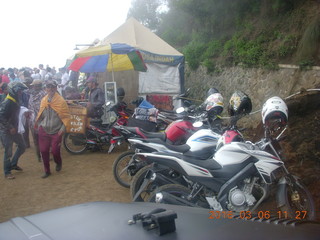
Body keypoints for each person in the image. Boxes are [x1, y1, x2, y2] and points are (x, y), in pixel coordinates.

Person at [35, 80, 70, 178]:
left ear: (55, 88)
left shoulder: (61, 101)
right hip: (44, 129)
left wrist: (62, 129)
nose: (50, 89)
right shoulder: (43, 100)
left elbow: (66, 116)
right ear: (45, 89)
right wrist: (39, 124)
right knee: (44, 151)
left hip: (56, 130)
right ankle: (47, 171)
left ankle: (58, 162)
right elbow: (41, 114)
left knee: (55, 151)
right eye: (48, 87)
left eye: (52, 87)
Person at [0, 82, 28, 179]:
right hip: (6, 130)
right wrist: (10, 127)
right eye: (19, 91)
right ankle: (7, 172)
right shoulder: (7, 101)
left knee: (22, 146)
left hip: (13, 128)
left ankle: (13, 164)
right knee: (8, 151)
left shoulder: (15, 99)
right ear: (14, 91)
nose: (21, 93)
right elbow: (1, 116)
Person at [28, 79, 47, 162]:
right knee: (38, 140)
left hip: (39, 120)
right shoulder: (32, 94)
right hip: (35, 121)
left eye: (35, 86)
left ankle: (42, 156)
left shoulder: (43, 94)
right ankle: (40, 157)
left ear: (38, 86)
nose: (33, 87)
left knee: (41, 140)